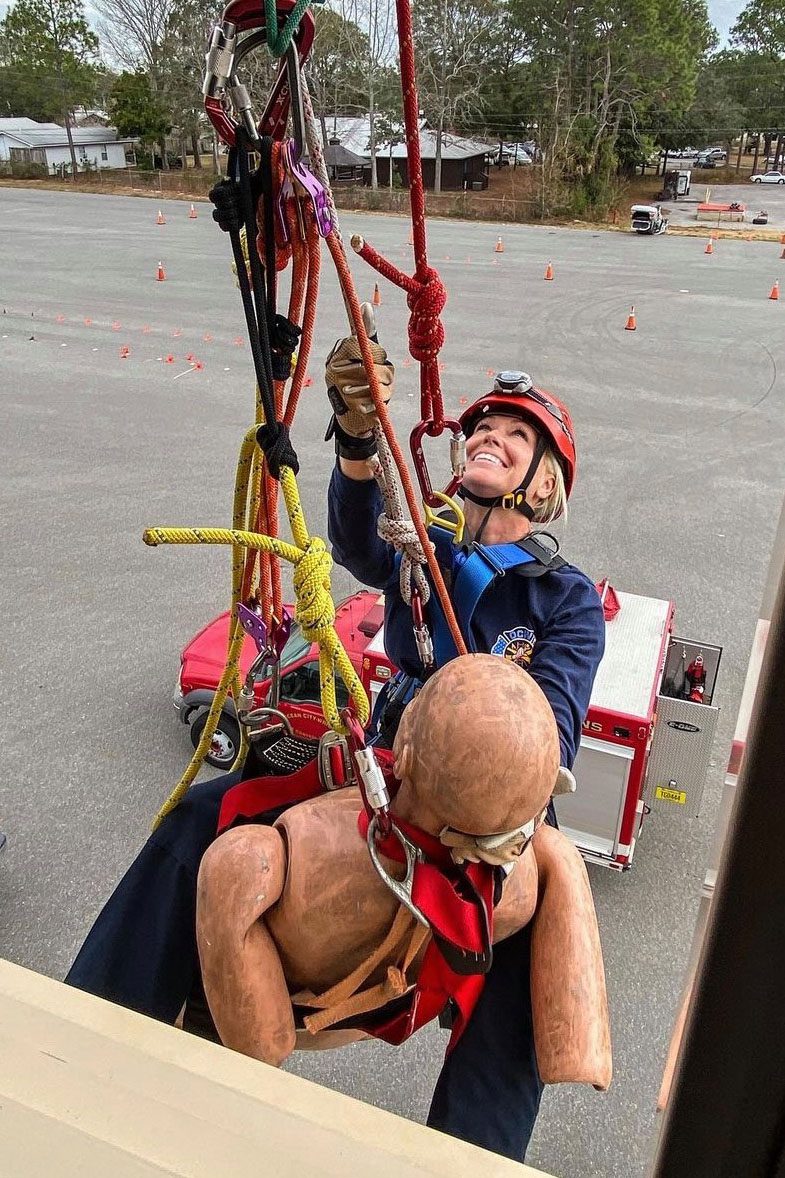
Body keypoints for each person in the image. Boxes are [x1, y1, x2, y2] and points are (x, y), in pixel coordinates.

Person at [66, 315, 605, 1163]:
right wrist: (358, 438)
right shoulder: (420, 545)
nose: (489, 437)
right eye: (482, 428)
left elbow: (556, 733)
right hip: (384, 771)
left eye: (514, 436)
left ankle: (472, 1153)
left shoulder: (562, 601)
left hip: (485, 813)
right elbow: (358, 537)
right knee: (200, 823)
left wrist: (479, 731)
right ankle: (93, 1037)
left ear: (542, 489)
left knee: (534, 942)